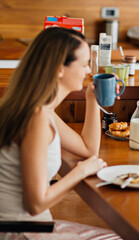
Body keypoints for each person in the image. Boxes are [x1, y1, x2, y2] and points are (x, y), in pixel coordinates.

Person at [0, 28, 121, 239]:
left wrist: (92, 99)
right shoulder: (36, 119)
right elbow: (35, 204)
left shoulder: (38, 109)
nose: (87, 71)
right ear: (59, 69)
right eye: (83, 65)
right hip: (22, 232)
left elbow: (88, 149)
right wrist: (80, 172)